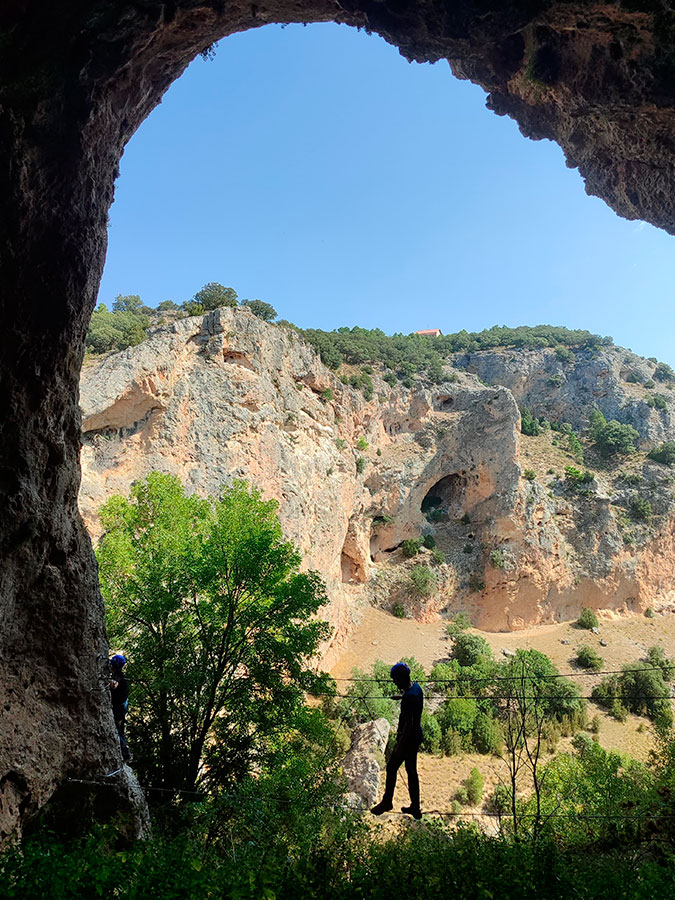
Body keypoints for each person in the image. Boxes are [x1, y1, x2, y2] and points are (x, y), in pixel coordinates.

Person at [371, 661, 423, 819]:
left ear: (401, 678)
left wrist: (399, 746)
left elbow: (409, 724)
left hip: (407, 739)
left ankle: (387, 802)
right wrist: (402, 697)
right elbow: (412, 701)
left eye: (395, 679)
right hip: (416, 737)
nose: (394, 682)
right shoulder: (416, 689)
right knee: (411, 772)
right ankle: (415, 807)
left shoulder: (409, 698)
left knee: (392, 767)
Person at [110, 653, 132, 762]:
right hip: (122, 708)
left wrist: (111, 682)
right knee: (120, 730)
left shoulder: (118, 677)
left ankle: (125, 753)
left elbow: (115, 684)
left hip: (118, 709)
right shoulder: (121, 676)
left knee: (118, 730)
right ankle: (125, 753)